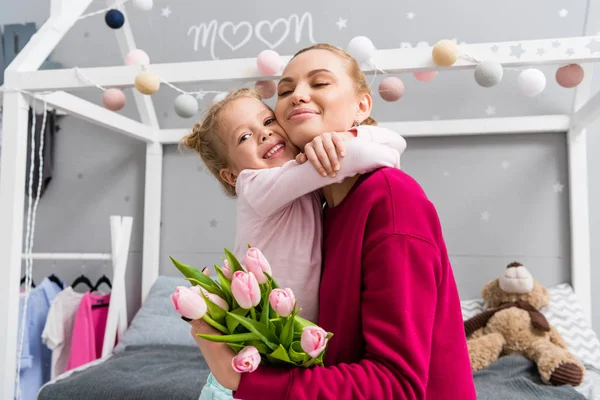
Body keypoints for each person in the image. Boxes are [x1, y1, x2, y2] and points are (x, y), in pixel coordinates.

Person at [191, 43, 477, 399]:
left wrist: (245, 381)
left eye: (320, 83)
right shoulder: (319, 208)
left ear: (362, 106)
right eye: (284, 91)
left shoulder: (391, 200)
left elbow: (398, 386)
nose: (297, 96)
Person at [182, 87, 408, 398]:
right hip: (255, 358)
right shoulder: (255, 186)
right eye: (244, 137)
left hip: (292, 355)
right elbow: (381, 150)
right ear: (231, 175)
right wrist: (338, 142)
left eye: (269, 121)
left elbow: (393, 144)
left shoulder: (301, 185)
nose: (264, 134)